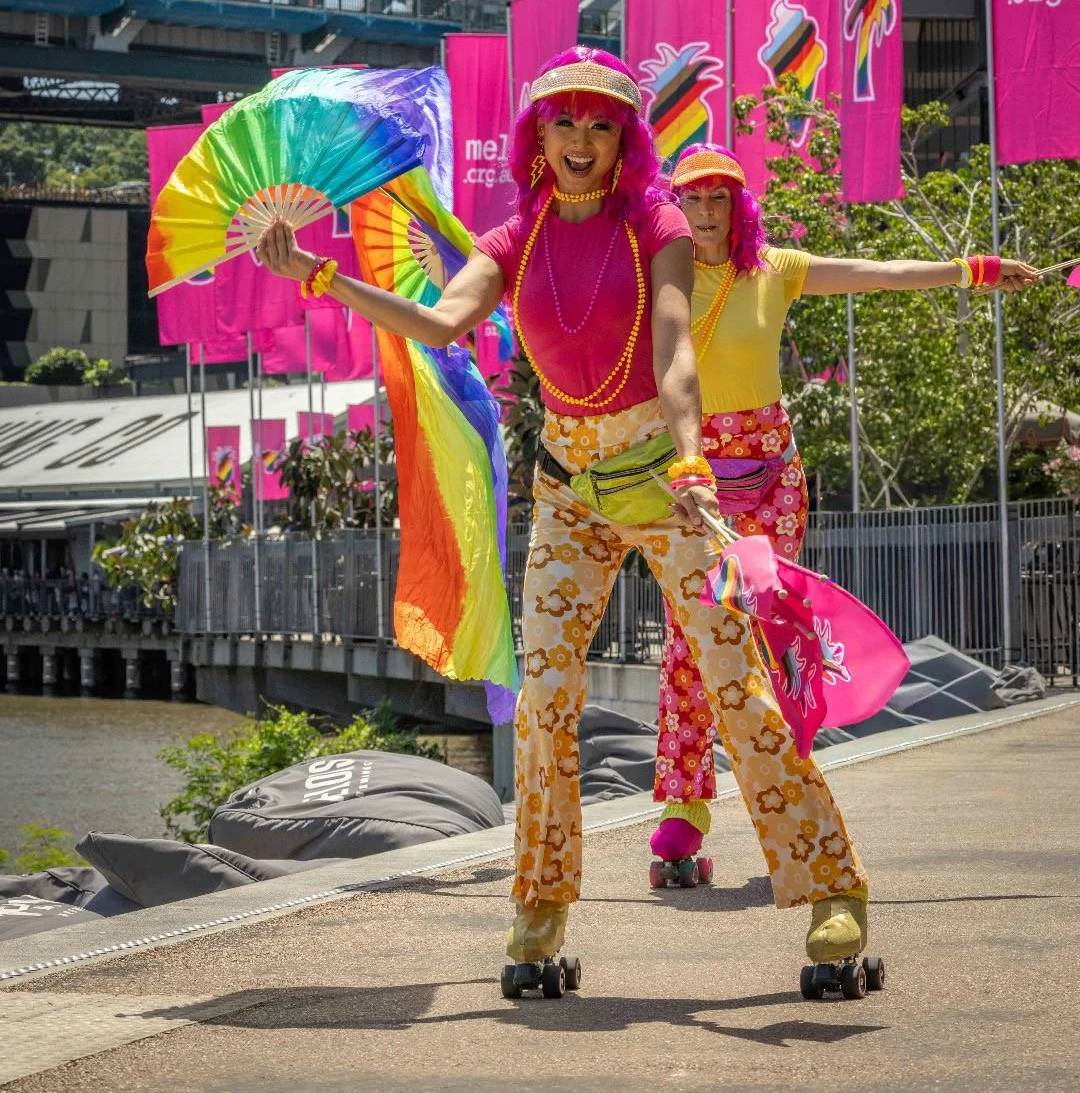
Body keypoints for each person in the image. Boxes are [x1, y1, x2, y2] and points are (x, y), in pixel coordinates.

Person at [256, 53, 867, 984]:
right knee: (543, 698)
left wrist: (692, 457)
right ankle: (540, 900)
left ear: (625, 138)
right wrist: (318, 275)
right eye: (564, 123)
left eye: (600, 124)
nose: (581, 141)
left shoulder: (657, 223)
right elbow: (441, 325)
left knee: (737, 682)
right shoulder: (513, 239)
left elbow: (674, 351)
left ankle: (831, 885)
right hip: (568, 490)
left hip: (662, 478)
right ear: (536, 136)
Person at [649, 142, 1042, 933]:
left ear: (738, 205)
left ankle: (791, 794)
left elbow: (877, 272)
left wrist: (973, 270)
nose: (706, 211)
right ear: (676, 205)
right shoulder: (661, 278)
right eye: (693, 197)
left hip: (774, 480)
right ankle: (686, 809)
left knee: (774, 634)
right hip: (695, 481)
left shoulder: (776, 269)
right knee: (691, 635)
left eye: (719, 197)